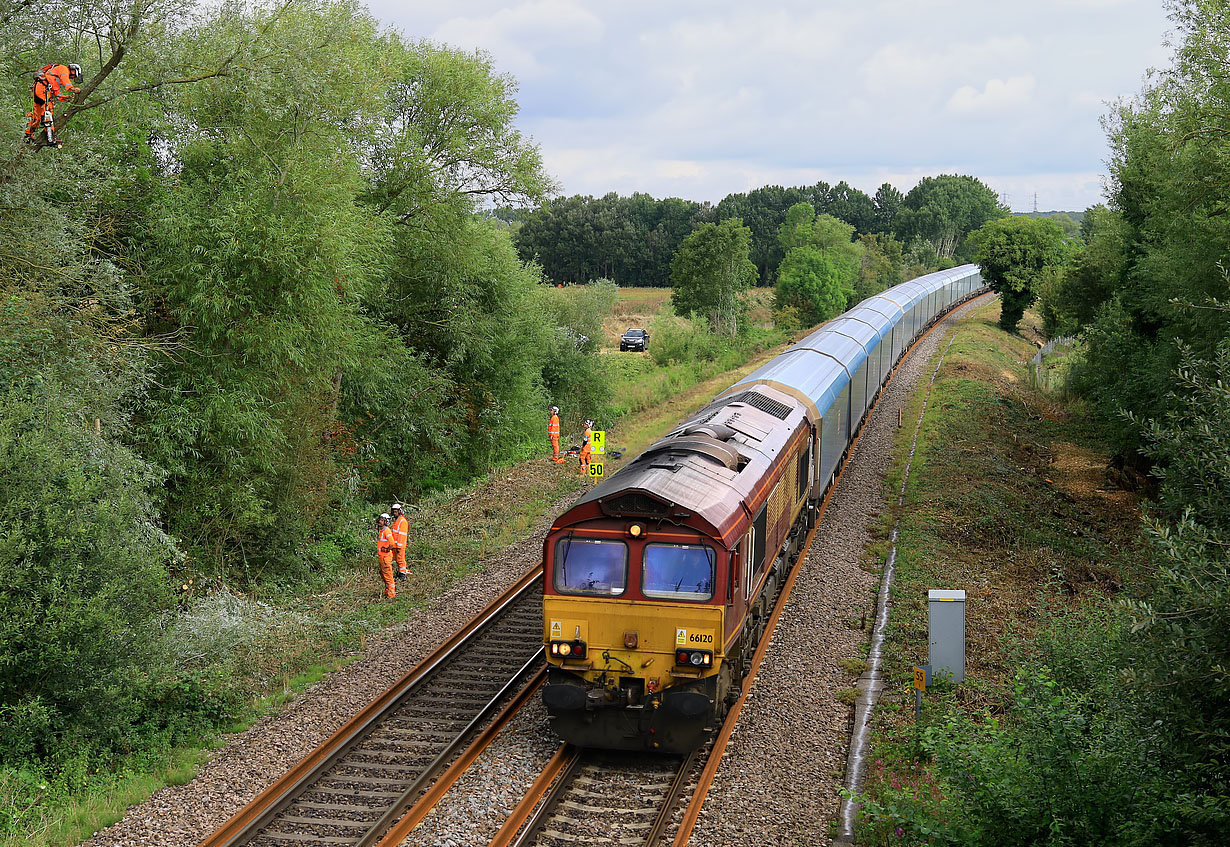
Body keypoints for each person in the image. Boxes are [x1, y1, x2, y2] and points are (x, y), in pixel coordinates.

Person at [25, 63, 81, 144]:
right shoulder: (63, 69)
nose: (73, 78)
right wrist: (72, 88)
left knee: (36, 116)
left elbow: (56, 92)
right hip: (43, 89)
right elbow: (65, 79)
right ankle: (50, 137)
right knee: (48, 111)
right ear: (74, 70)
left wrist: (65, 97)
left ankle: (28, 135)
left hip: (38, 89)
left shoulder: (55, 76)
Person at [376, 513, 396, 599]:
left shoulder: (387, 531)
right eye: (379, 519)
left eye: (381, 520)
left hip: (385, 558)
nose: (379, 521)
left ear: (386, 521)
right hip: (382, 557)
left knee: (388, 576)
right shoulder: (382, 531)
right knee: (384, 575)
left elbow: (392, 543)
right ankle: (387, 592)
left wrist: (387, 549)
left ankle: (391, 595)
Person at [390, 503, 409, 580]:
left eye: (396, 511)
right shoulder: (396, 521)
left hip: (400, 545)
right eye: (393, 511)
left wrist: (399, 546)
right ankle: (400, 572)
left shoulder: (402, 521)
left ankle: (402, 574)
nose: (394, 513)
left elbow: (402, 535)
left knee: (401, 560)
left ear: (400, 511)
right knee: (397, 559)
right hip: (395, 545)